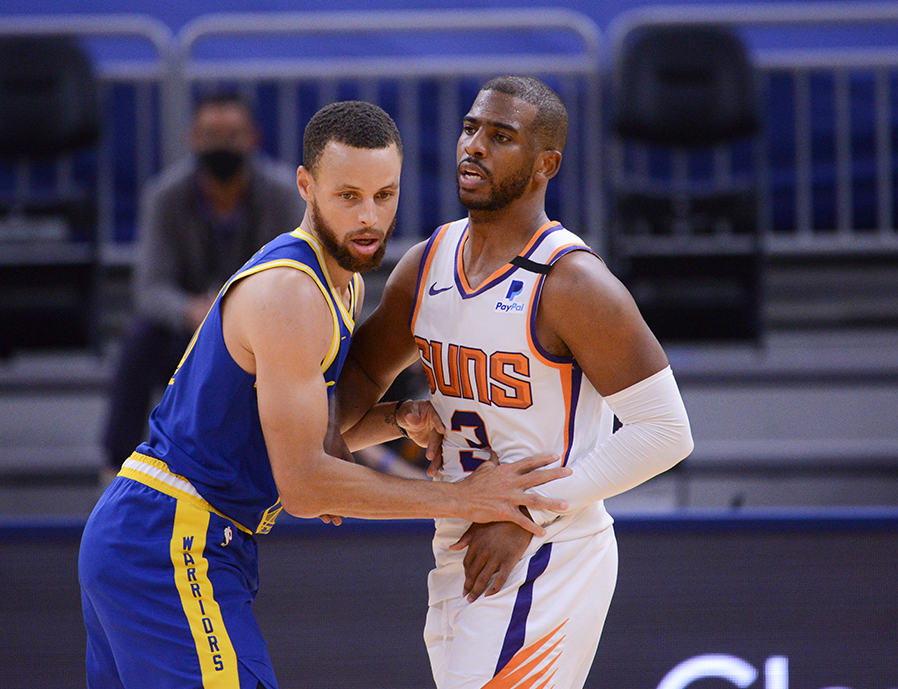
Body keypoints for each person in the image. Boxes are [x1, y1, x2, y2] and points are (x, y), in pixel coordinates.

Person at [78, 100, 572, 689]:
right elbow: (306, 485)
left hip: (165, 534)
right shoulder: (292, 294)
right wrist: (466, 498)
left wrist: (397, 418)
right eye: (348, 197)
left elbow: (295, 438)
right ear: (306, 187)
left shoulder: (346, 283)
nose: (370, 217)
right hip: (171, 536)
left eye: (384, 196)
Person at [337, 76, 695, 688]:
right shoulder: (427, 263)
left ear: (544, 165)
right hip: (458, 540)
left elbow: (666, 432)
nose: (474, 146)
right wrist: (322, 451)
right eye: (471, 129)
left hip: (544, 548)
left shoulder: (572, 283)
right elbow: (361, 378)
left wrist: (523, 511)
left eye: (500, 137)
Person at [100, 91, 301, 472]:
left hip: (262, 334)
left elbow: (294, 278)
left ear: (253, 139)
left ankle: (294, 462)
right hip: (189, 331)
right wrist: (192, 310)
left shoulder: (283, 195)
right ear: (193, 139)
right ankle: (116, 468)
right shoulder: (164, 196)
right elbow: (149, 289)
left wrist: (237, 312)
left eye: (232, 135)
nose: (221, 145)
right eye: (211, 134)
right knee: (140, 340)